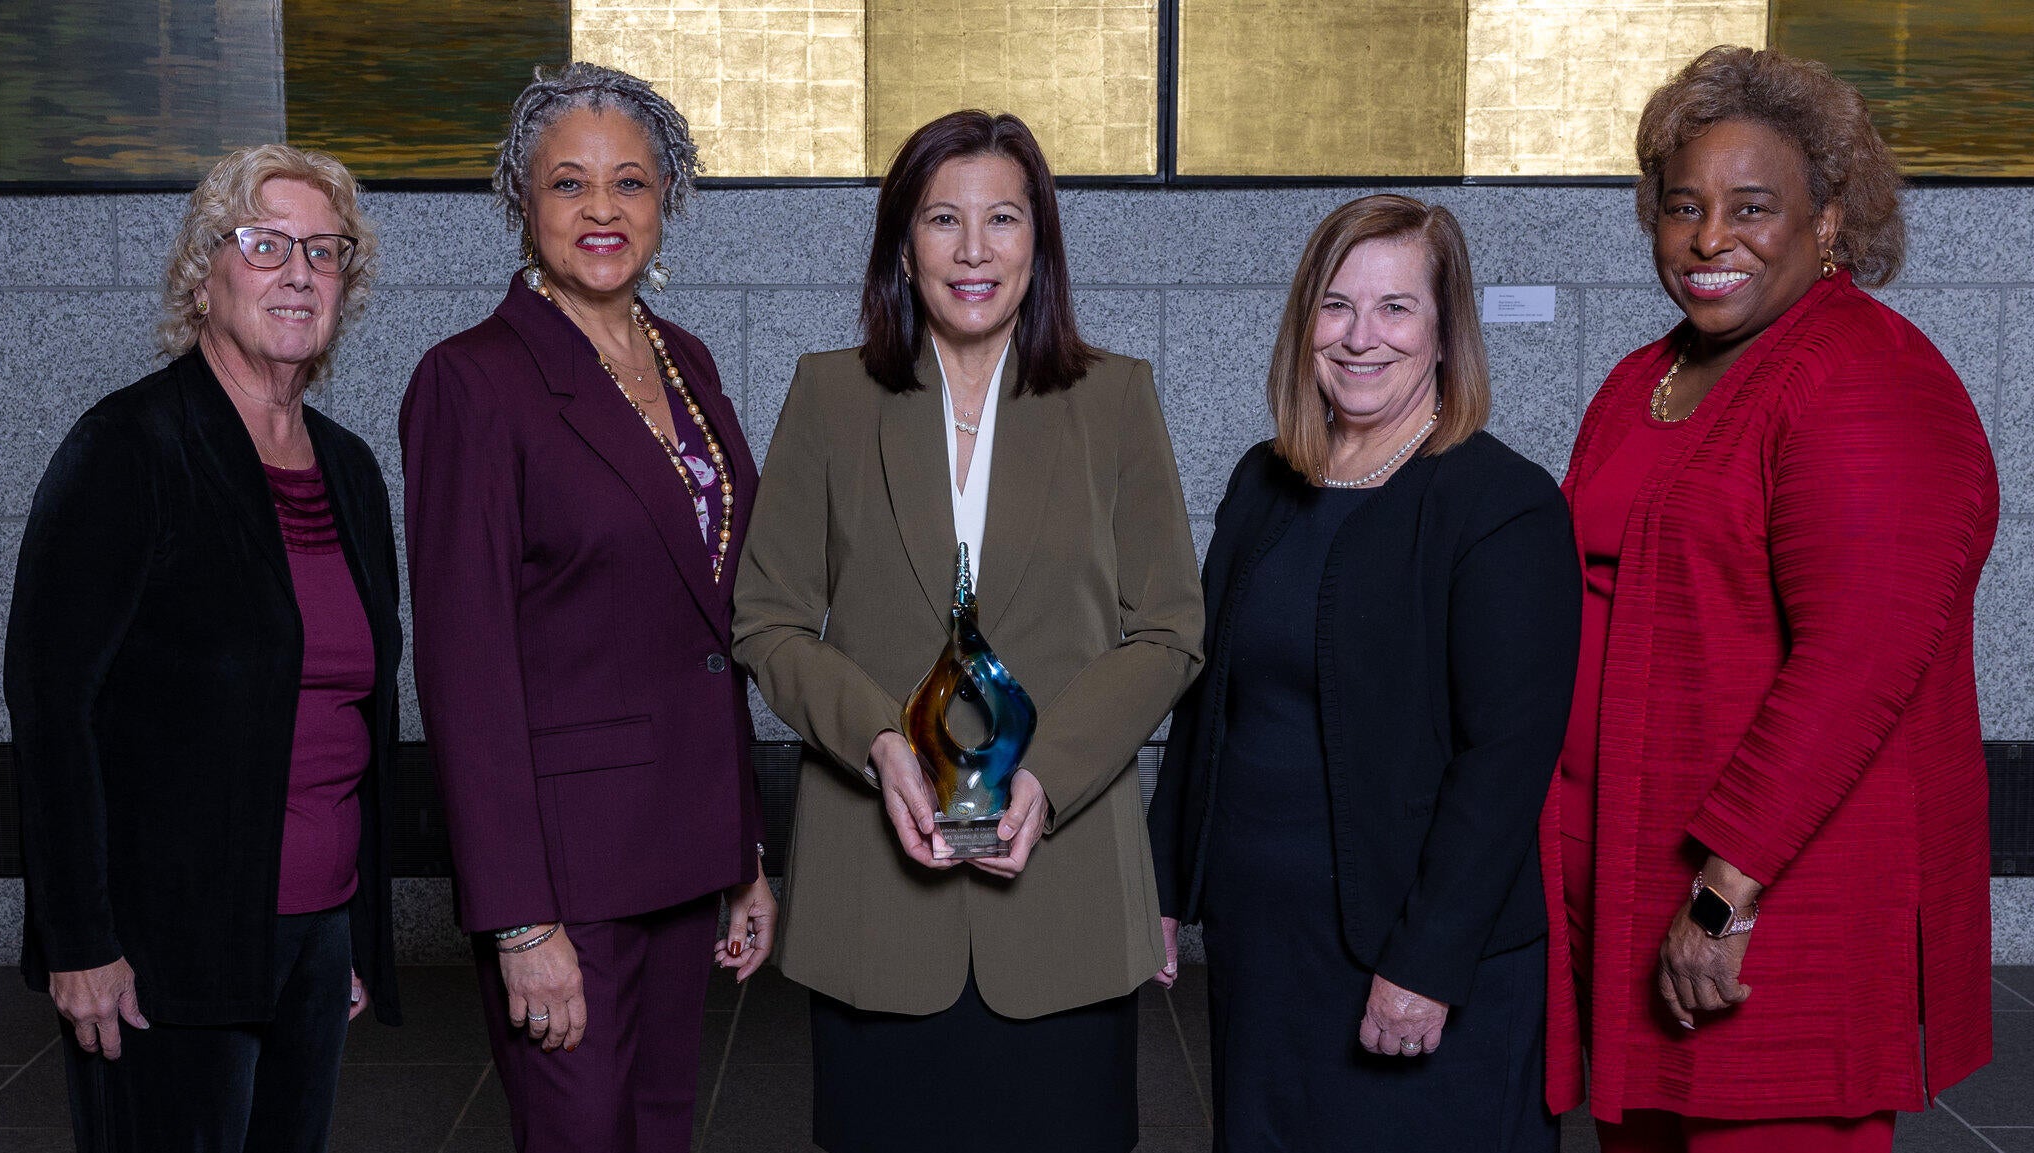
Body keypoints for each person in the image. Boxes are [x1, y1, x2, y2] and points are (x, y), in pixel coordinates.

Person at [1546, 46, 1998, 1153]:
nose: (1710, 239)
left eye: (1751, 207)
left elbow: (1855, 668)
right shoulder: (1645, 377)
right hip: (1626, 877)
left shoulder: (1865, 376)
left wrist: (1720, 894)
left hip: (1766, 906)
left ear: (1828, 220)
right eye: (1683, 206)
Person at [732, 109, 1203, 1153]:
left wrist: (1050, 776)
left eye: (1003, 218)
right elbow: (768, 619)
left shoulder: (1114, 397)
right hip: (877, 896)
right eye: (943, 219)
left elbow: (1169, 628)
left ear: (1040, 242)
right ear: (904, 244)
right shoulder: (829, 394)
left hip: (1066, 893)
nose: (974, 250)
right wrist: (878, 741)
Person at [1146, 193, 1579, 1152]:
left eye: (1395, 308)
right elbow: (1205, 703)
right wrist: (1164, 886)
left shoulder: (1502, 505)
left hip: (1413, 952)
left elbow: (1506, 765)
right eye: (1336, 306)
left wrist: (1426, 963)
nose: (1359, 336)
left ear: (1445, 333)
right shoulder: (1264, 481)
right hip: (1265, 948)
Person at [399, 62, 772, 1153]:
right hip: (565, 873)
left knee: (660, 1131)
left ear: (667, 199)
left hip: (686, 843)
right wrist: (519, 919)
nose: (602, 208)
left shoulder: (687, 360)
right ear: (523, 201)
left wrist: (743, 850)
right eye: (569, 183)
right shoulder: (471, 381)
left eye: (631, 182)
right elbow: (465, 672)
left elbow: (708, 629)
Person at [4, 143, 399, 1151]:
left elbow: (355, 714)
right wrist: (80, 942)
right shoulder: (130, 446)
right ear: (203, 274)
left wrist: (350, 935)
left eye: (324, 250)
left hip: (316, 931)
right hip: (161, 948)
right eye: (266, 245)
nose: (298, 272)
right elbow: (52, 708)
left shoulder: (349, 470)